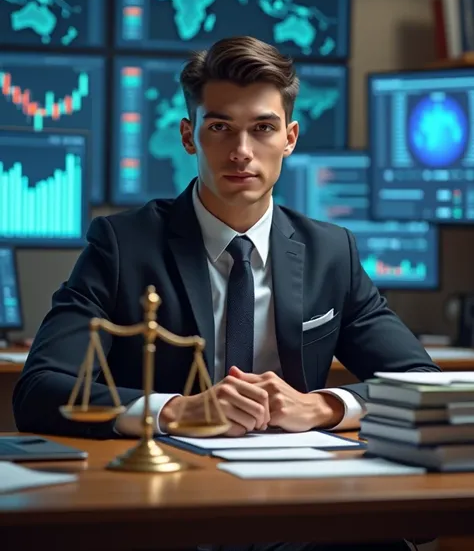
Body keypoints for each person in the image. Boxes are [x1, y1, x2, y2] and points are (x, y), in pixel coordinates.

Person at [13, 36, 439, 551]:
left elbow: (420, 382)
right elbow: (39, 391)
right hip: (169, 508)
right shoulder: (123, 245)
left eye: (263, 128)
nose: (241, 151)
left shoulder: (332, 252)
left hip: (297, 506)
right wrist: (175, 411)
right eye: (220, 128)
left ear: (290, 138)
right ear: (190, 137)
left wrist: (321, 406)